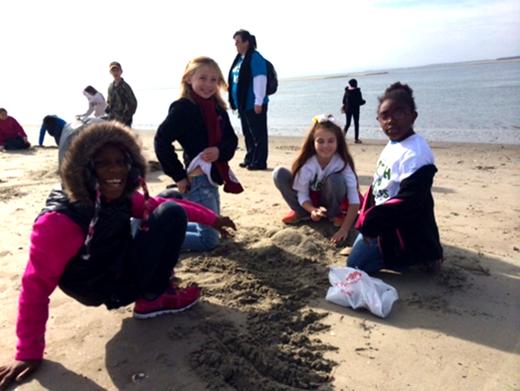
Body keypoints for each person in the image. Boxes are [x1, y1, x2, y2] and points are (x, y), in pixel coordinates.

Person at [0, 121, 237, 389]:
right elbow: (35, 286)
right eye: (102, 163)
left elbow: (158, 203)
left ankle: (150, 289)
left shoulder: (116, 196)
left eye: (120, 161)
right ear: (84, 169)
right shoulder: (59, 222)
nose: (114, 170)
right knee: (171, 214)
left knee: (168, 199)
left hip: (115, 265)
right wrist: (28, 352)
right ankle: (153, 298)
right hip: (103, 287)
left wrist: (212, 219)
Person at [347, 82, 443, 273]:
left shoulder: (416, 153)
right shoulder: (393, 144)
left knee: (355, 265)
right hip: (385, 220)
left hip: (402, 227)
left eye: (398, 113)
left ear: (413, 116)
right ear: (378, 120)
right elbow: (379, 184)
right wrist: (364, 218)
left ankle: (423, 260)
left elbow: (410, 201)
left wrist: (372, 224)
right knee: (355, 238)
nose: (390, 121)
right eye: (385, 116)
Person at [155, 56, 242, 250]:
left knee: (213, 224)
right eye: (202, 78)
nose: (208, 84)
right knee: (208, 240)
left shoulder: (218, 108)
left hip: (213, 178)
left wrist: (220, 151)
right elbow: (161, 141)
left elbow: (232, 140)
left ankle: (170, 222)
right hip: (196, 179)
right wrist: (178, 175)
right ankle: (156, 236)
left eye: (214, 80)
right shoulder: (183, 108)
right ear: (189, 78)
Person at [273, 114, 360, 245]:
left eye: (331, 141)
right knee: (279, 173)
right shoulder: (308, 164)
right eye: (320, 141)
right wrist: (312, 210)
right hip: (309, 203)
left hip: (330, 204)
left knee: (336, 179)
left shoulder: (342, 164)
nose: (325, 146)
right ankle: (301, 213)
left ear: (338, 142)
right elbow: (302, 194)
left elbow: (354, 200)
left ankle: (334, 215)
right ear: (313, 142)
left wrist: (344, 230)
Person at [228, 29, 269, 170]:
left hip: (254, 104)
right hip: (243, 104)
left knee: (258, 134)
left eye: (238, 42)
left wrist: (259, 101)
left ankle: (259, 161)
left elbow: (260, 79)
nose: (236, 45)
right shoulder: (240, 59)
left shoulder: (255, 58)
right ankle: (250, 157)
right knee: (248, 133)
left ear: (246, 42)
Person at [38, 115, 103, 166]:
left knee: (63, 142)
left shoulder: (60, 122)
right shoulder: (45, 123)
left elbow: (66, 133)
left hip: (62, 131)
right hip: (56, 132)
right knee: (60, 143)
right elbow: (42, 133)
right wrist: (40, 143)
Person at [106, 61, 137, 127]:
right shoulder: (110, 87)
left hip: (124, 122)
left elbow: (133, 104)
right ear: (110, 72)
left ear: (121, 71)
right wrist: (106, 111)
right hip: (112, 120)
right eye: (113, 71)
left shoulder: (125, 87)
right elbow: (109, 102)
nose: (115, 73)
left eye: (117, 70)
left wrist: (125, 118)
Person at [341, 78, 366, 144]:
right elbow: (360, 102)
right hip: (356, 110)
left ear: (350, 84)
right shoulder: (357, 92)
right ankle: (356, 139)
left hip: (347, 110)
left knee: (347, 124)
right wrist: (364, 102)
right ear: (356, 84)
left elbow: (343, 101)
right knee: (356, 124)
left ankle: (342, 138)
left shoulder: (346, 91)